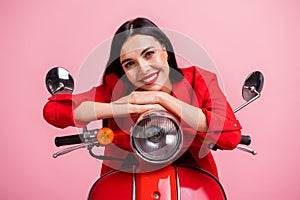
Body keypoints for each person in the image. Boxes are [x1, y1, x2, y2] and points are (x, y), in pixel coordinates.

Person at [43, 17, 241, 179]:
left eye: (149, 54)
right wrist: (120, 107)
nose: (143, 69)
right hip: (124, 179)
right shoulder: (117, 90)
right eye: (130, 64)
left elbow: (230, 137)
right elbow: (53, 112)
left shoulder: (200, 80)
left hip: (194, 179)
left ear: (164, 50)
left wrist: (163, 100)